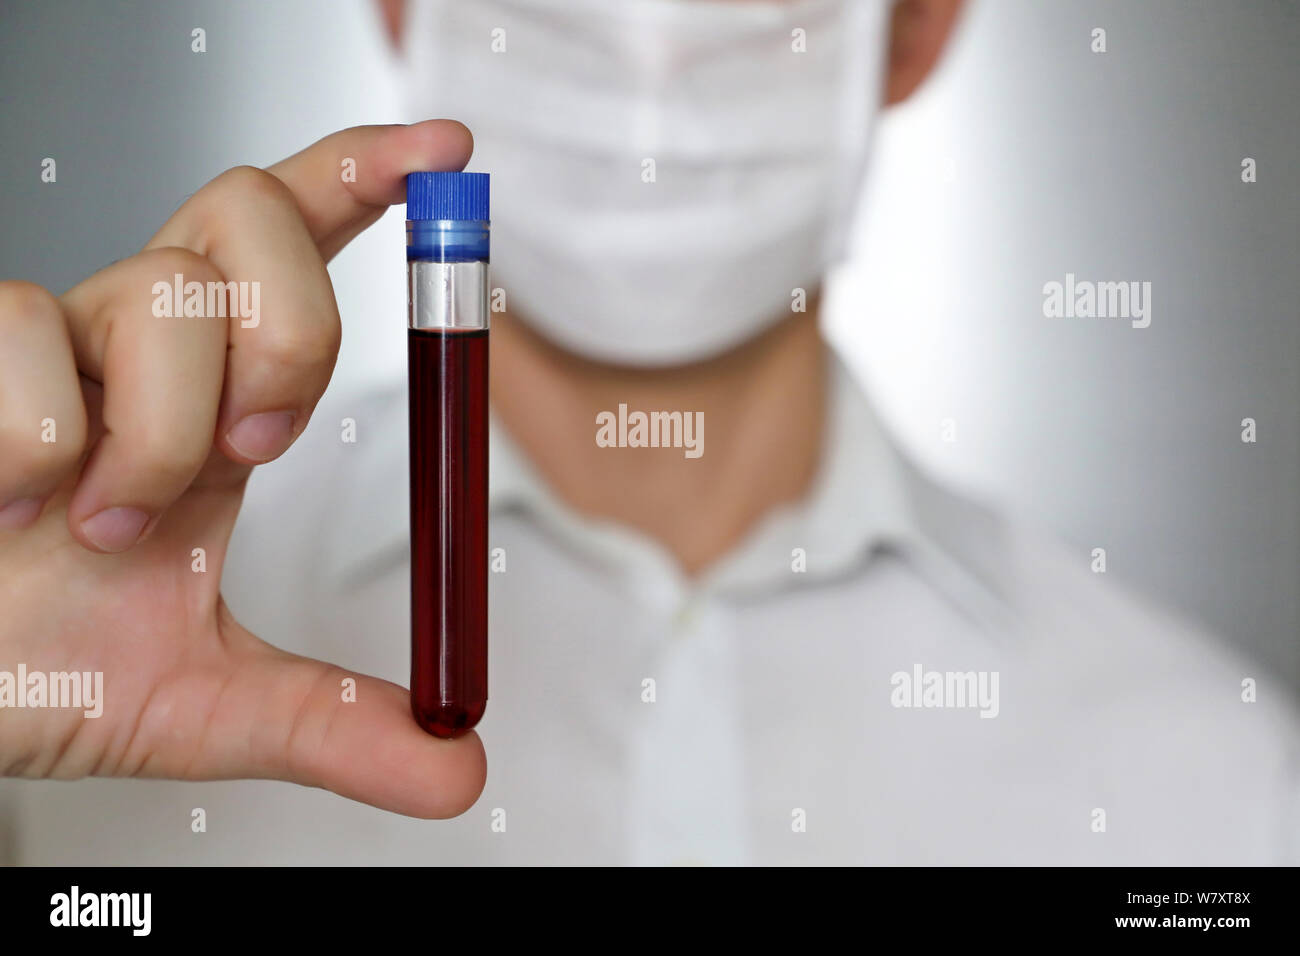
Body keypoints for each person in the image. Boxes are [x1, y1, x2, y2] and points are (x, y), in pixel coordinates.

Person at [1, 0, 1295, 865]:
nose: (653, 44)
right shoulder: (79, 658)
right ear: (399, 8)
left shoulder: (1216, 795)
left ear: (915, 32)